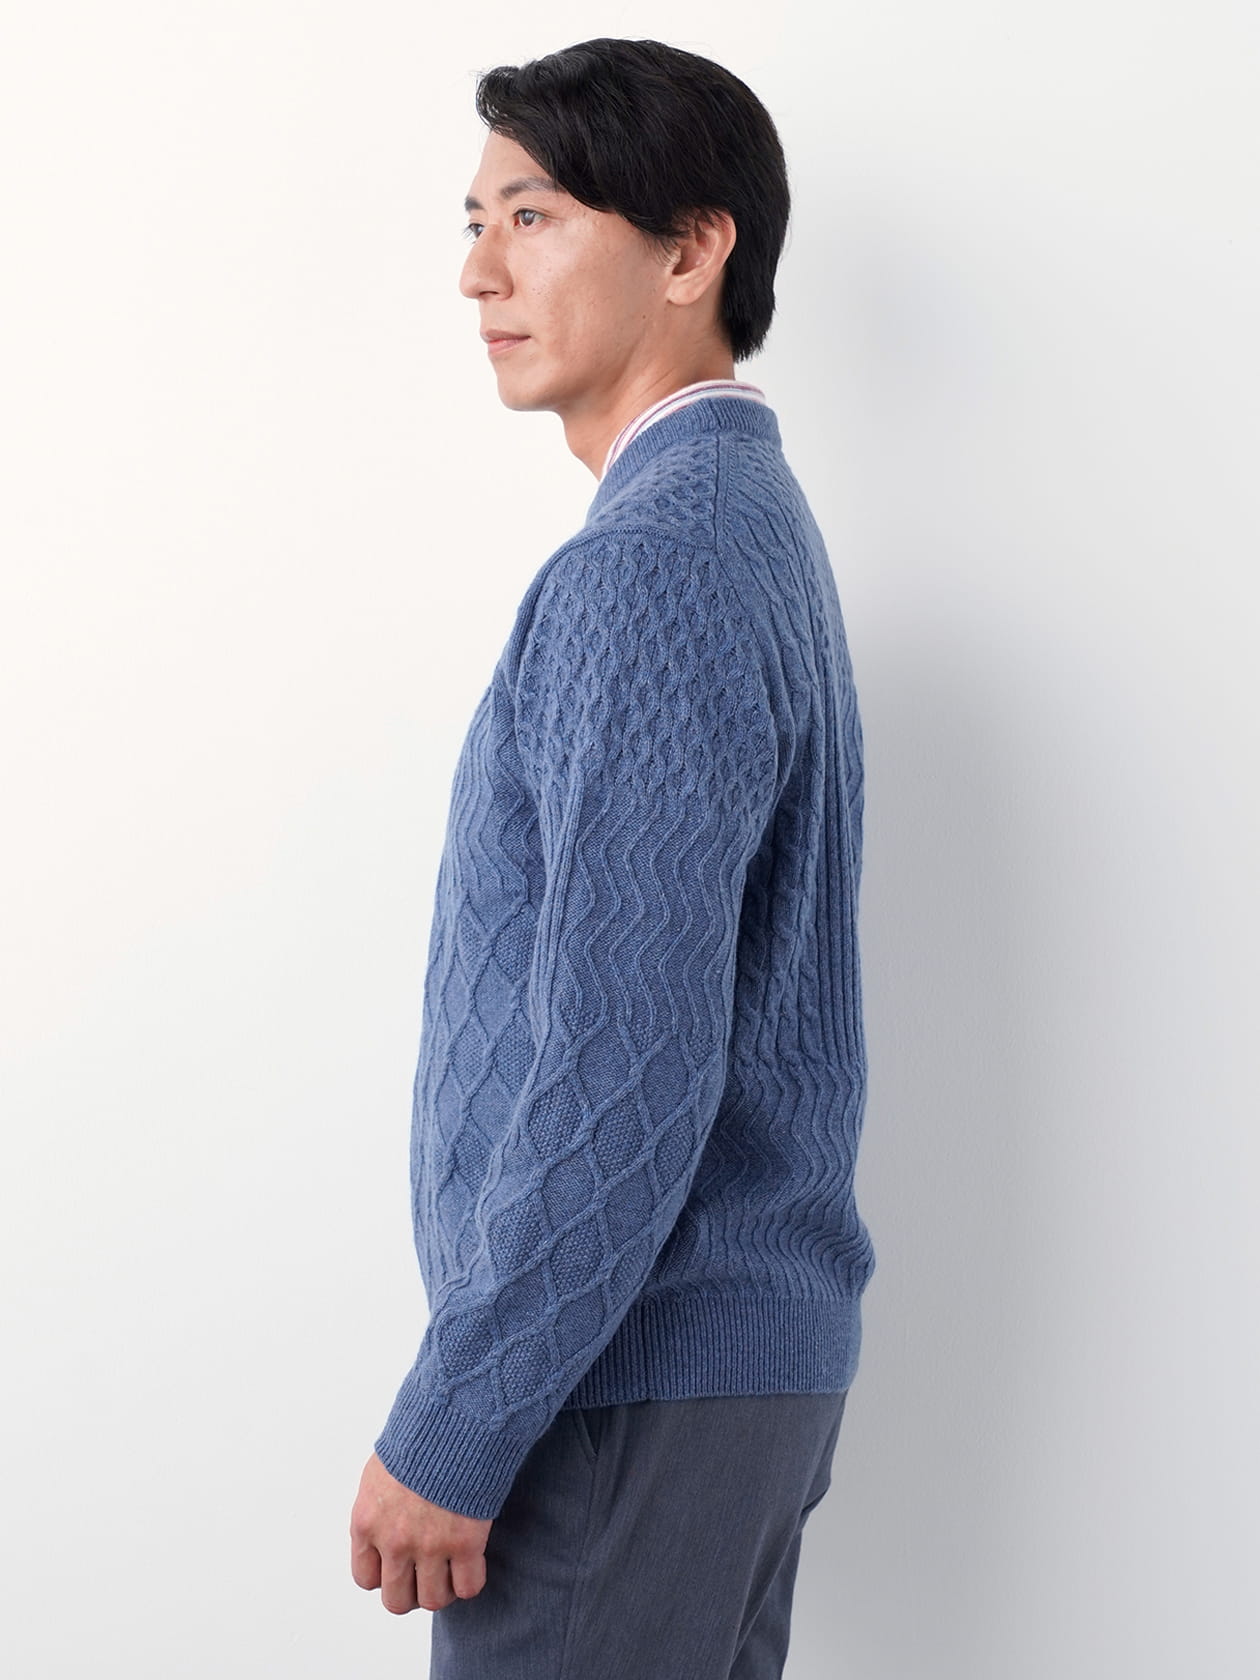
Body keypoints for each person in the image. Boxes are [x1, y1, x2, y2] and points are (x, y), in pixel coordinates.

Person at [349, 36, 877, 1679]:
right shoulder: (739, 525)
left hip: (620, 1386)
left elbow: (624, 1063)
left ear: (691, 248)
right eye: (475, 221)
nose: (478, 271)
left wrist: (459, 1417)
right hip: (699, 1375)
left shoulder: (656, 565)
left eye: (534, 215)